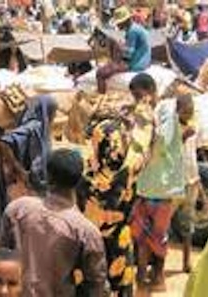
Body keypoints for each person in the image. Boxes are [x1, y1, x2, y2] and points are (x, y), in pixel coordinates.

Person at [0, 149, 107, 297]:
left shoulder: (17, 210)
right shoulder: (87, 231)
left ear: (48, 176)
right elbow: (96, 285)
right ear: (79, 180)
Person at [130, 79, 187, 292]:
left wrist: (146, 125)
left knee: (158, 235)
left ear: (152, 92)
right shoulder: (148, 113)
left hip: (163, 186)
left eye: (140, 95)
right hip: (146, 185)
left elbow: (162, 140)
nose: (139, 100)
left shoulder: (166, 110)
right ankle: (142, 275)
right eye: (135, 96)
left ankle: (158, 276)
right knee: (142, 235)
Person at [76, 118, 136, 297]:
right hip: (120, 242)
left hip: (89, 245)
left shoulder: (85, 177)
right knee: (120, 286)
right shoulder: (129, 171)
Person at [0, 95, 57, 237]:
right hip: (29, 185)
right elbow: (4, 142)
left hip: (37, 183)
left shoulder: (42, 128)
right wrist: (19, 170)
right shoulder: (35, 126)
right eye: (53, 111)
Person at [96, 5, 151, 94]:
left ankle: (101, 96)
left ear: (125, 21)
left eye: (119, 23)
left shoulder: (132, 31)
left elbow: (127, 56)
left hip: (136, 63)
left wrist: (115, 62)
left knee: (100, 73)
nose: (118, 25)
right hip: (142, 61)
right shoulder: (136, 28)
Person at [175, 94, 199, 273]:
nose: (189, 115)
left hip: (191, 181)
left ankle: (186, 261)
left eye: (191, 112)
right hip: (174, 184)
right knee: (163, 223)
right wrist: (183, 137)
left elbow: (193, 156)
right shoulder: (173, 129)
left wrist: (198, 179)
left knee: (188, 225)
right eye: (185, 112)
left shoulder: (192, 127)